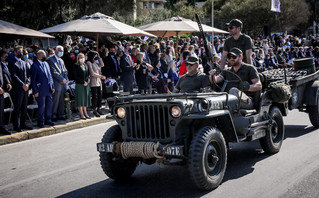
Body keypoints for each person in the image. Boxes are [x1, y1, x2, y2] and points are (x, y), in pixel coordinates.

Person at [8, 46, 32, 132]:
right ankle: (16, 126)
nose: (20, 53)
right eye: (18, 51)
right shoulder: (12, 62)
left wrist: (28, 83)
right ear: (14, 52)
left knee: (24, 107)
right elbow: (14, 76)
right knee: (17, 108)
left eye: (21, 51)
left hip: (26, 88)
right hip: (18, 89)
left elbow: (28, 75)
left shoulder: (24, 62)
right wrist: (22, 85)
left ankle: (23, 123)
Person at [31, 50, 55, 128]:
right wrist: (35, 90)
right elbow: (33, 80)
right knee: (42, 106)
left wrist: (53, 86)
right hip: (40, 89)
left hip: (48, 88)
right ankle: (40, 121)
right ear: (39, 56)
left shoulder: (46, 63)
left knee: (49, 105)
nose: (45, 57)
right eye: (43, 55)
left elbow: (50, 76)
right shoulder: (34, 65)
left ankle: (48, 120)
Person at [47, 45, 69, 121]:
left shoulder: (61, 60)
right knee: (55, 100)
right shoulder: (50, 60)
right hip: (56, 83)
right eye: (60, 51)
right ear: (56, 51)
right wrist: (61, 79)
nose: (61, 52)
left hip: (63, 83)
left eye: (62, 51)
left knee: (61, 100)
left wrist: (65, 79)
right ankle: (53, 114)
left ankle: (60, 114)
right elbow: (53, 72)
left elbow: (65, 71)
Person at [87, 51, 106, 117]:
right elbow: (92, 73)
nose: (95, 57)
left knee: (99, 96)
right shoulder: (89, 62)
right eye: (94, 55)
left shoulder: (95, 62)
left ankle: (99, 108)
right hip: (93, 81)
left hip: (98, 81)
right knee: (95, 96)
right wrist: (100, 76)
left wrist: (99, 57)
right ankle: (94, 109)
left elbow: (102, 65)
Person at [73, 53, 91, 120]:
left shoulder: (85, 65)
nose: (82, 58)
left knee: (85, 99)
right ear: (78, 58)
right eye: (80, 57)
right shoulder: (75, 65)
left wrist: (88, 81)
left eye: (83, 57)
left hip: (86, 85)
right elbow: (75, 76)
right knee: (81, 99)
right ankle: (82, 113)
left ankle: (86, 113)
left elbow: (88, 75)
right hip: (80, 84)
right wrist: (83, 82)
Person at [0, 51, 12, 135]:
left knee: (1, 111)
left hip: (1, 91)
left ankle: (1, 127)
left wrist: (8, 82)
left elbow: (3, 75)